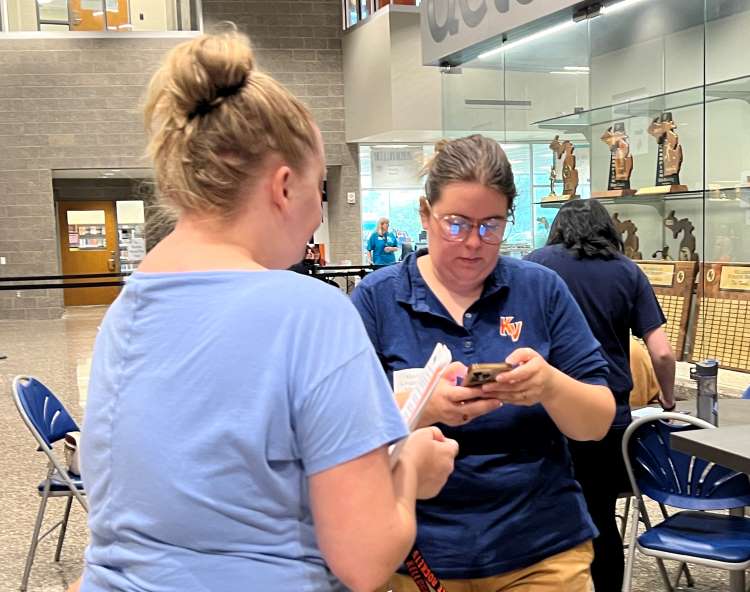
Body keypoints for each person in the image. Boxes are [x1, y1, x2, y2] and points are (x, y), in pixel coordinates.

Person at [77, 32, 458, 592]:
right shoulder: (310, 312)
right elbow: (366, 558)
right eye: (319, 187)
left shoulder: (125, 312)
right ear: (283, 187)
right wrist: (408, 475)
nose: (317, 213)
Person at [351, 135, 616, 591]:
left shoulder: (541, 289)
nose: (473, 243)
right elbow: (343, 436)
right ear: (424, 214)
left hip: (541, 550)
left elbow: (597, 420)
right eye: (456, 224)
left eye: (491, 226)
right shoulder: (376, 300)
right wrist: (421, 406)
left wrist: (549, 386)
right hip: (414, 554)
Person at [526, 198, 676, 592]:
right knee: (600, 517)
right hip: (607, 419)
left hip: (545, 417)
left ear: (558, 228)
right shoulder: (628, 271)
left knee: (539, 516)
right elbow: (660, 351)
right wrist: (668, 397)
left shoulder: (536, 265)